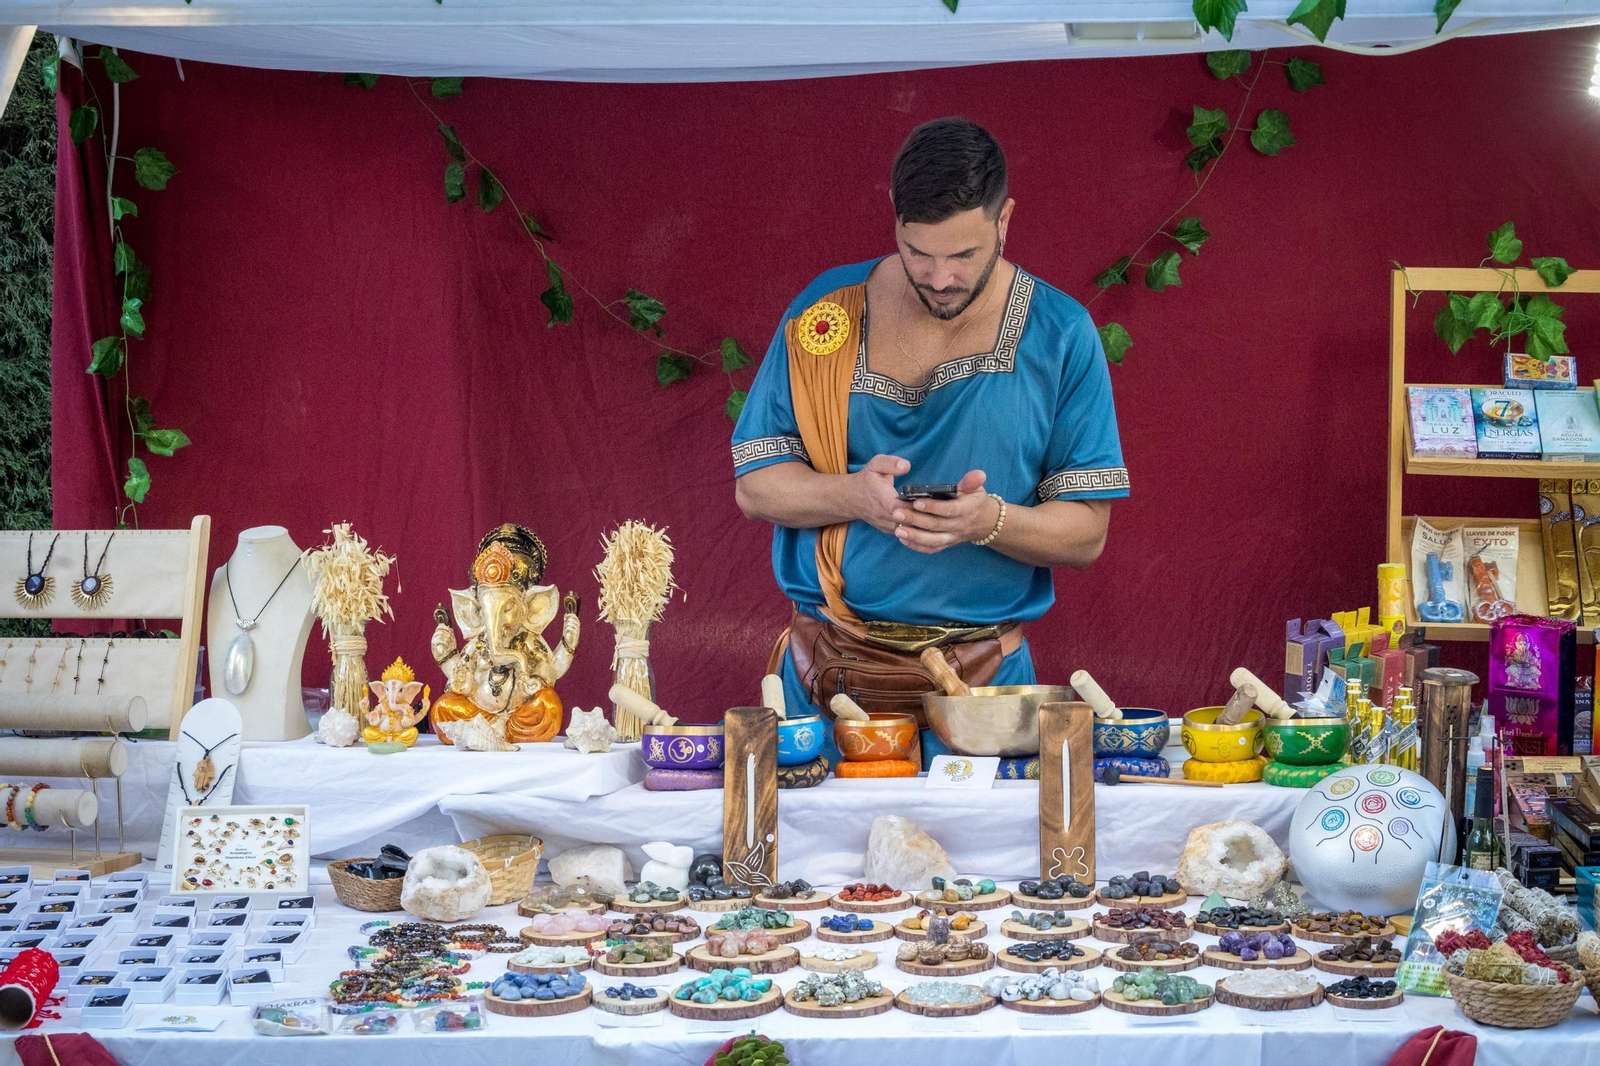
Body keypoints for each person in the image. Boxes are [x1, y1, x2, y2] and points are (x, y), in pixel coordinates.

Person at [731, 117, 1128, 762]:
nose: (940, 277)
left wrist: (988, 521)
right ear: (895, 217)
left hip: (985, 693)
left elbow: (1086, 534)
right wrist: (855, 496)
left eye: (964, 255)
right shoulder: (825, 312)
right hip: (826, 683)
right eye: (919, 252)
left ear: (1005, 220)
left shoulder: (1060, 332)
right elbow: (755, 487)